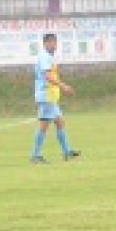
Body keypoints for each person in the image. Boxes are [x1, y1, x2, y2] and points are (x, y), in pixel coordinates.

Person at [30, 32, 80, 163]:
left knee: (59, 122)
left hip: (51, 97)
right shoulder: (45, 57)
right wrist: (63, 86)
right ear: (45, 43)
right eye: (51, 42)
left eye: (55, 42)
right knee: (43, 125)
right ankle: (36, 155)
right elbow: (48, 76)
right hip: (46, 95)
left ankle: (67, 152)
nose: (54, 45)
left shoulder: (49, 57)